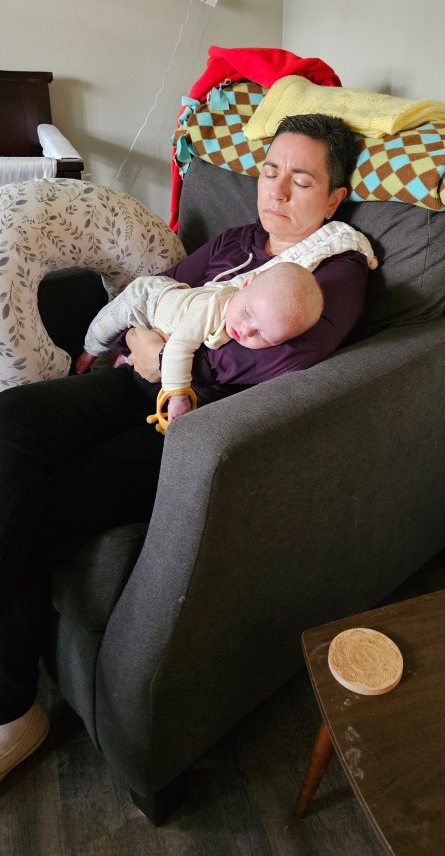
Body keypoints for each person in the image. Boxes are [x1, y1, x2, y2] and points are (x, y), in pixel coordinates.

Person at [0, 112, 369, 780]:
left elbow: (272, 366)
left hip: (191, 422)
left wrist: (168, 357)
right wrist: (140, 343)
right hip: (132, 376)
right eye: (269, 172)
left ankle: (10, 710)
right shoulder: (233, 240)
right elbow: (154, 294)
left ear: (334, 199)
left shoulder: (331, 274)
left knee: (42, 502)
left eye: (301, 179)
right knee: (10, 424)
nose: (277, 192)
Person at [76, 262, 325, 425]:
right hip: (148, 298)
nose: (245, 331)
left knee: (133, 347)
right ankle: (87, 355)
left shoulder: (253, 307)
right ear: (245, 284)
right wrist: (178, 396)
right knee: (105, 326)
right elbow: (178, 348)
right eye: (248, 313)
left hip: (175, 307)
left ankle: (121, 359)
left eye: (263, 336)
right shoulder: (212, 310)